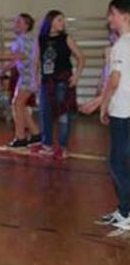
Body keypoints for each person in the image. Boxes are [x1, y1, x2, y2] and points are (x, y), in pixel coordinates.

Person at [81, 0, 130, 231]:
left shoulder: (121, 45)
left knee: (117, 163)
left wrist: (102, 103)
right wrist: (101, 100)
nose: (109, 18)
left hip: (123, 112)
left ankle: (127, 212)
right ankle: (124, 210)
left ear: (126, 16)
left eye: (112, 13)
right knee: (119, 162)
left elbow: (115, 79)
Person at [32, 10, 85, 160]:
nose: (63, 23)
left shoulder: (66, 38)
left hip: (62, 81)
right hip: (46, 82)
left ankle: (63, 147)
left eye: (63, 20)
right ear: (51, 22)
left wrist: (76, 76)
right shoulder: (40, 39)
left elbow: (81, 58)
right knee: (44, 114)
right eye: (59, 20)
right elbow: (36, 61)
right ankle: (47, 145)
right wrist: (35, 79)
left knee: (63, 115)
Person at [0, 13, 41, 148]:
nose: (16, 24)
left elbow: (23, 55)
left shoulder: (26, 39)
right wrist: (6, 68)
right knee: (21, 105)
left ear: (26, 26)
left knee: (17, 104)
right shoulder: (22, 39)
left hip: (29, 77)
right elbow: (18, 60)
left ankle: (20, 137)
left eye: (19, 22)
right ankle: (36, 134)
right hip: (25, 76)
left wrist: (2, 56)